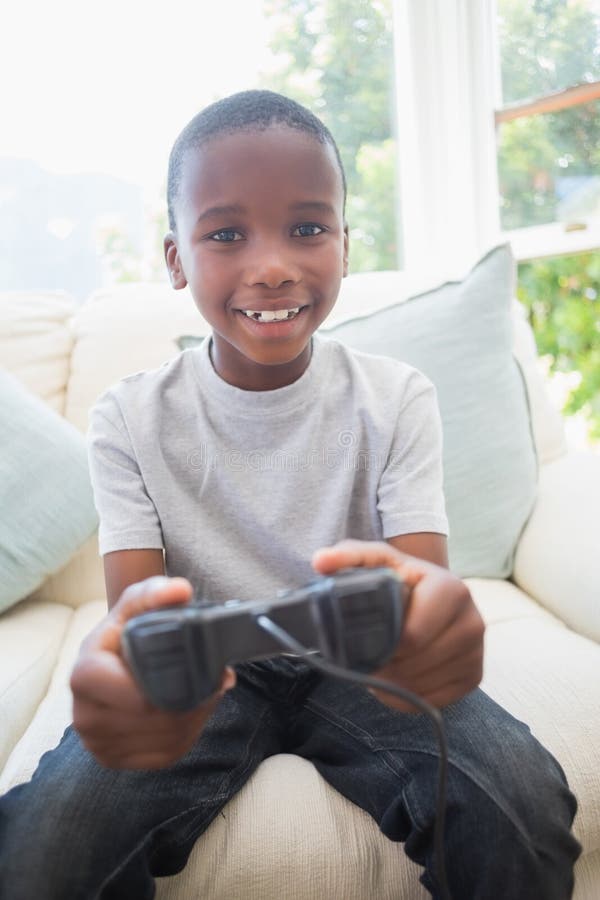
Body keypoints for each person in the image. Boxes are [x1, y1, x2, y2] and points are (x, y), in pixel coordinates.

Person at [0, 90, 580, 899]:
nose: (271, 264)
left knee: (519, 803)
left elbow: (423, 593)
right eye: (226, 233)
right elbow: (139, 615)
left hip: (362, 663)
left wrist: (434, 628)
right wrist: (141, 679)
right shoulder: (129, 415)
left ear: (345, 243)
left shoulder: (398, 395)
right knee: (44, 846)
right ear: (175, 258)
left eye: (307, 228)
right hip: (212, 674)